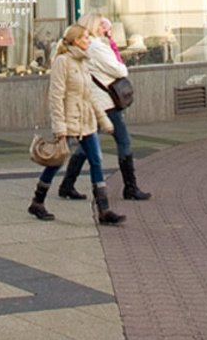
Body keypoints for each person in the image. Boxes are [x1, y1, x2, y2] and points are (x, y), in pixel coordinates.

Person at [29, 24, 125, 225]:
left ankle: (104, 209)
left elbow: (89, 96)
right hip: (70, 122)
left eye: (88, 38)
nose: (88, 41)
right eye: (84, 38)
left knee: (97, 161)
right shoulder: (62, 62)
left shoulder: (83, 62)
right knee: (56, 161)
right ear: (74, 41)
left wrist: (103, 120)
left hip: (87, 122)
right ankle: (37, 201)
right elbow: (55, 97)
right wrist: (59, 127)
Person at [56, 12, 151, 203]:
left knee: (88, 142)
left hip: (96, 100)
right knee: (123, 141)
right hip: (106, 103)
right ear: (91, 27)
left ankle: (67, 183)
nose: (104, 28)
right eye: (100, 25)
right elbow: (119, 69)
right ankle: (129, 186)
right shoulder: (96, 47)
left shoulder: (85, 45)